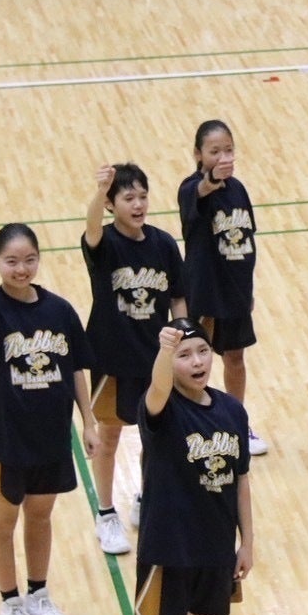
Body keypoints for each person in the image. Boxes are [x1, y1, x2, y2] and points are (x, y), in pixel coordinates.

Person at [135, 319, 255, 615]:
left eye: (202, 351)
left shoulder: (231, 410)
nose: (197, 361)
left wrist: (248, 540)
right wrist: (165, 353)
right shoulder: (161, 409)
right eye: (185, 355)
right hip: (167, 548)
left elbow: (241, 478)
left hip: (215, 546)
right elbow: (157, 387)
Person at [0, 223, 96, 615]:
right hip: (2, 438)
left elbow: (76, 368)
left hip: (50, 435)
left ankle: (39, 594)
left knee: (40, 516)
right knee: (3, 520)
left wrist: (89, 421)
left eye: (29, 260)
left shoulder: (60, 310)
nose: (21, 269)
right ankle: (11, 603)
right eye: (11, 261)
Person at [82, 162, 185, 555]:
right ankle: (106, 513)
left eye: (143, 196)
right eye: (128, 198)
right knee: (109, 437)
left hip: (154, 360)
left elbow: (177, 296)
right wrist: (100, 190)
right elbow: (91, 226)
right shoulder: (103, 245)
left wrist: (182, 340)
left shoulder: (163, 244)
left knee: (154, 436)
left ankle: (146, 498)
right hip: (110, 358)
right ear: (112, 205)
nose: (139, 204)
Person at [178, 120, 267, 459]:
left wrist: (248, 289)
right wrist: (212, 178)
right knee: (193, 363)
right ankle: (188, 424)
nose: (223, 156)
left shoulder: (239, 189)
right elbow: (201, 191)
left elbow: (246, 241)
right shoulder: (191, 188)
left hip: (235, 291)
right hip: (204, 292)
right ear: (198, 154)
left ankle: (236, 424)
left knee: (236, 358)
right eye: (214, 151)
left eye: (228, 150)